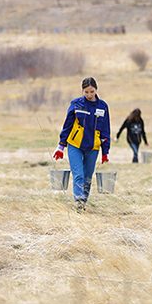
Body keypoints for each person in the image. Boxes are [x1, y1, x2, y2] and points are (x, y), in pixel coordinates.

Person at [53, 77, 110, 210]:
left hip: (93, 147)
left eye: (92, 91)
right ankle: (78, 201)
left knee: (88, 177)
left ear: (96, 89)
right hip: (75, 145)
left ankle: (84, 200)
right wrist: (61, 146)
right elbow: (67, 125)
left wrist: (105, 152)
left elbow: (106, 130)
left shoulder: (103, 106)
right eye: (86, 92)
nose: (89, 95)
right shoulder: (76, 104)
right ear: (82, 91)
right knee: (78, 174)